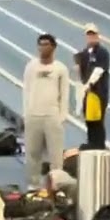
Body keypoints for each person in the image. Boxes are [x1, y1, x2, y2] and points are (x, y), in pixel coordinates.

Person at [21, 33, 70, 187]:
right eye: (40, 45)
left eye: (46, 45)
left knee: (56, 157)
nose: (43, 48)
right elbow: (26, 90)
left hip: (52, 117)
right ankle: (33, 186)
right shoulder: (31, 66)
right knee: (32, 154)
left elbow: (65, 94)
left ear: (53, 47)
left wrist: (61, 117)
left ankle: (56, 187)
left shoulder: (60, 69)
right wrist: (26, 113)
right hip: (33, 116)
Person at [75, 23, 110, 150]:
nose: (91, 37)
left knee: (97, 119)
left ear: (98, 35)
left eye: (93, 34)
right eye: (89, 35)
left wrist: (89, 84)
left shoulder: (102, 52)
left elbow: (99, 70)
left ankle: (99, 144)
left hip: (98, 92)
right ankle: (91, 142)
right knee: (89, 118)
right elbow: (81, 73)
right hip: (87, 92)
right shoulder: (85, 53)